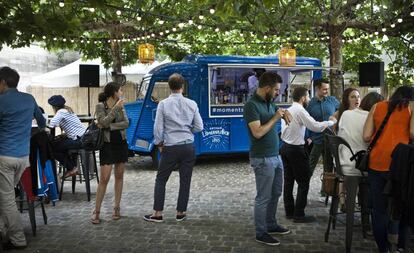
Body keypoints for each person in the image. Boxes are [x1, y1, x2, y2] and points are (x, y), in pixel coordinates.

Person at [143, 73, 203, 223]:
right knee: (185, 180)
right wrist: (188, 131)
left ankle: (157, 213)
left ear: (169, 87)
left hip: (170, 146)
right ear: (182, 87)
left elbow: (158, 129)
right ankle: (180, 212)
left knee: (161, 179)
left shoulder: (163, 104)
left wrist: (160, 143)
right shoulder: (192, 104)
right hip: (188, 146)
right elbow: (199, 127)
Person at [363, 86, 414, 253]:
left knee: (379, 210)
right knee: (402, 206)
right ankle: (399, 245)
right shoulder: (411, 107)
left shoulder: (377, 106)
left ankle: (383, 248)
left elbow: (366, 136)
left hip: (376, 162)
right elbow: (413, 133)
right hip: (400, 165)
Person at [243, 72, 292, 246]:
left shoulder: (270, 103)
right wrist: (276, 117)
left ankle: (271, 224)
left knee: (276, 193)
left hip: (275, 156)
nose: (279, 92)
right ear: (267, 88)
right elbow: (257, 133)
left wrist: (284, 114)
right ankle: (261, 232)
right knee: (263, 197)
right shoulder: (251, 106)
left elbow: (276, 114)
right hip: (262, 158)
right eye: (276, 90)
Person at [0, 66, 46, 250]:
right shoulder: (29, 98)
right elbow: (42, 122)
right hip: (23, 158)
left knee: (7, 199)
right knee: (5, 196)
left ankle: (18, 239)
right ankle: (3, 231)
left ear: (3, 82)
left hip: (4, 157)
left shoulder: (1, 101)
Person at [280, 87, 335, 223]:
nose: (309, 99)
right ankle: (299, 214)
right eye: (308, 96)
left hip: (285, 147)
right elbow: (315, 126)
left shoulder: (288, 109)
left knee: (288, 180)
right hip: (296, 149)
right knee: (304, 182)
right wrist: (331, 122)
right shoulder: (300, 110)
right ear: (303, 98)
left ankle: (289, 211)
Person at [91, 82, 129, 224]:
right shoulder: (101, 106)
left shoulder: (121, 105)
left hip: (121, 143)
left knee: (119, 176)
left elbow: (126, 123)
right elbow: (102, 121)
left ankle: (116, 208)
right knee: (104, 179)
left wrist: (109, 126)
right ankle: (97, 211)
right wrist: (115, 109)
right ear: (114, 92)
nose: (121, 91)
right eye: (120, 90)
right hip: (107, 145)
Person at [306, 79, 339, 180]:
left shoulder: (332, 100)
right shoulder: (310, 104)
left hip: (330, 140)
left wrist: (335, 117)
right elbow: (306, 122)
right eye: (324, 89)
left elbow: (342, 110)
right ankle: (304, 189)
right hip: (316, 140)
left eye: (327, 89)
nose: (327, 91)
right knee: (310, 166)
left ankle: (325, 191)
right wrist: (308, 137)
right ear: (317, 89)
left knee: (328, 168)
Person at [48, 95, 86, 178]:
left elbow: (51, 124)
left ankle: (72, 168)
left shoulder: (61, 112)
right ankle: (71, 166)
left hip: (79, 140)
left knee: (52, 148)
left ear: (54, 106)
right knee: (58, 144)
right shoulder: (67, 110)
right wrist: (63, 135)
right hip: (83, 138)